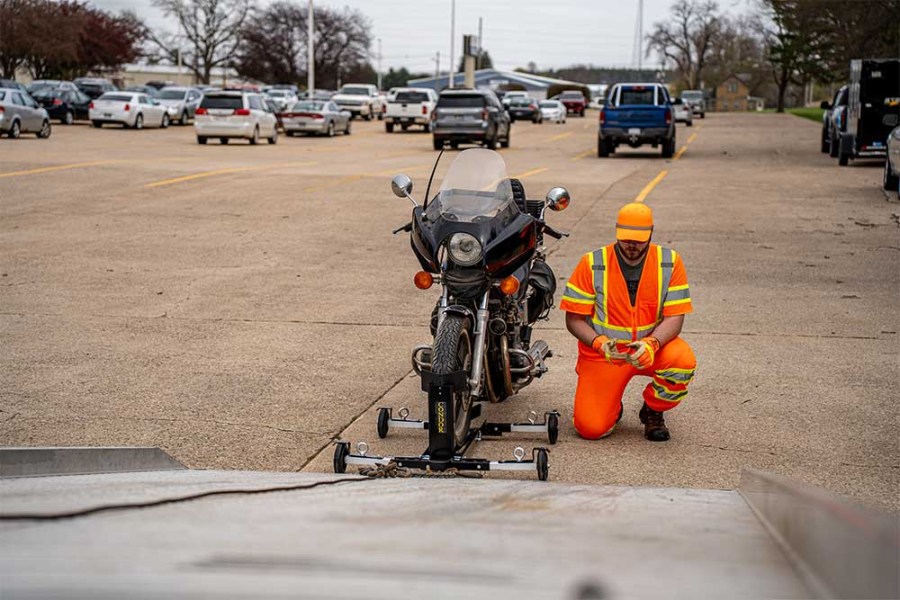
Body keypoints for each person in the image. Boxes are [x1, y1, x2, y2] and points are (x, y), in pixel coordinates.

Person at [559, 202, 696, 441]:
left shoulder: (669, 262)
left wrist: (652, 344)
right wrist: (599, 343)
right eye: (626, 239)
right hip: (605, 355)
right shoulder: (593, 263)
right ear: (616, 231)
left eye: (639, 240)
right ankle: (611, 405)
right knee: (590, 429)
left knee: (682, 362)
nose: (632, 245)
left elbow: (675, 317)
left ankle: (653, 410)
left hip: (650, 350)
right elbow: (573, 319)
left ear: (651, 232)